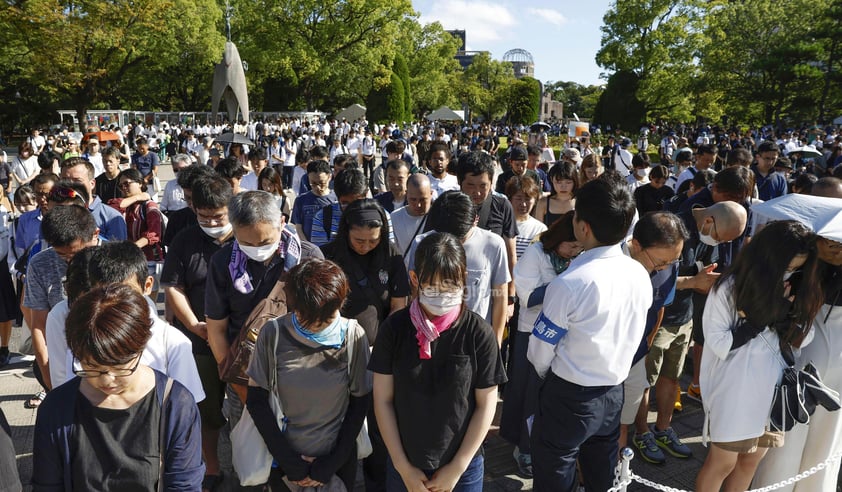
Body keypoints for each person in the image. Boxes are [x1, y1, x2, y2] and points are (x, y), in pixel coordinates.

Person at [527, 178, 653, 492]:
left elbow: (539, 351)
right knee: (602, 474)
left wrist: (553, 380)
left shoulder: (570, 283)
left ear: (582, 226)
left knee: (555, 473)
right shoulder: (639, 273)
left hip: (569, 394)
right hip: (612, 393)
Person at [370, 232, 507, 492]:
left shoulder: (478, 332)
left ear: (464, 280)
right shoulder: (394, 329)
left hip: (462, 466)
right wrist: (403, 467)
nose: (442, 296)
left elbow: (486, 404)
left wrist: (458, 467)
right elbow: (383, 400)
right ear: (414, 279)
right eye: (432, 287)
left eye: (451, 287)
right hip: (405, 464)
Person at [32, 284, 204, 490]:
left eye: (119, 367)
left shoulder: (175, 404)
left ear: (140, 348)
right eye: (92, 367)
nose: (107, 380)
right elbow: (47, 485)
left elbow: (184, 486)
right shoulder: (57, 407)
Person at [695, 221, 823, 492]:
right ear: (769, 257)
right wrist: (757, 321)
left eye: (797, 267)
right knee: (723, 463)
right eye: (787, 266)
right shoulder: (731, 286)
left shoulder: (797, 284)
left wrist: (787, 320)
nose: (790, 272)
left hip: (774, 390)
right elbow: (718, 342)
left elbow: (803, 339)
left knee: (750, 463)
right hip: (735, 387)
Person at [246, 259, 371, 491]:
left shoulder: (353, 336)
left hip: (337, 464)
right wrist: (290, 462)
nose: (317, 325)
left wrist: (330, 464)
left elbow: (359, 403)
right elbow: (256, 401)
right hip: (282, 463)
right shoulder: (273, 334)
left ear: (341, 303)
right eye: (308, 317)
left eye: (326, 318)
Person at [205, 191, 317, 428]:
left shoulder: (308, 258)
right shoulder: (222, 262)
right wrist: (238, 384)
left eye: (265, 242)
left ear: (282, 223)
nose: (257, 249)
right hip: (244, 375)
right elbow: (216, 329)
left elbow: (323, 321)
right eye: (246, 243)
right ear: (233, 230)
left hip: (301, 373)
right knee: (250, 458)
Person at [160, 175, 235, 490]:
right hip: (199, 341)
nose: (213, 222)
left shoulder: (247, 236)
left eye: (219, 216)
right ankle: (212, 468)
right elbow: (173, 287)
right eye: (205, 217)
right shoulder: (185, 240)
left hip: (244, 337)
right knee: (205, 407)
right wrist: (194, 325)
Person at [503, 212, 582, 477]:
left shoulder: (576, 258)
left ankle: (547, 444)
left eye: (579, 247)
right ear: (559, 238)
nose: (575, 251)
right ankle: (524, 449)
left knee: (553, 394)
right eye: (571, 245)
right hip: (532, 332)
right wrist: (565, 281)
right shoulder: (537, 252)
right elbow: (528, 298)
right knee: (529, 393)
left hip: (564, 333)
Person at [23, 205, 101, 405]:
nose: (69, 260)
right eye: (62, 255)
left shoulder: (112, 259)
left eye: (75, 254)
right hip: (62, 359)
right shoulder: (40, 264)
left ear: (95, 235)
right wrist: (48, 377)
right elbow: (38, 324)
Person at [320, 198, 409, 345]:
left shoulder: (390, 253)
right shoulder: (328, 256)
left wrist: (385, 342)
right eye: (359, 241)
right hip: (336, 345)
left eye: (373, 241)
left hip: (379, 346)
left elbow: (398, 305)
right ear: (346, 232)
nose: (366, 246)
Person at [115, 168, 165, 301]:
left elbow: (154, 233)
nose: (124, 188)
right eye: (121, 186)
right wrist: (137, 196)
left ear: (140, 183)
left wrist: (132, 248)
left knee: (146, 302)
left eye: (127, 183)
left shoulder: (148, 206)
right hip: (128, 260)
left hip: (148, 260)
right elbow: (111, 206)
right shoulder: (127, 205)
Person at [60, 157, 128, 241]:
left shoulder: (112, 218)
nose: (70, 185)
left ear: (92, 184)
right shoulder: (55, 214)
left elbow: (119, 252)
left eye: (77, 180)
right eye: (65, 180)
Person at [310, 169, 369, 247]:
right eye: (345, 203)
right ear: (337, 198)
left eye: (357, 203)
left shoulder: (380, 217)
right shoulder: (323, 218)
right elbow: (319, 256)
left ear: (366, 195)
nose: (352, 208)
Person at [390, 173, 433, 259]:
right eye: (413, 199)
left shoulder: (438, 216)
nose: (418, 205)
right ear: (406, 194)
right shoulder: (395, 217)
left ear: (431, 194)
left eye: (423, 200)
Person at [291, 160, 336, 241]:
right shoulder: (301, 200)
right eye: (313, 183)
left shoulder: (337, 199)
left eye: (322, 183)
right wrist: (308, 247)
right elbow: (298, 227)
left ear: (329, 177)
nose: (318, 187)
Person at [505, 175, 547, 260]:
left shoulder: (540, 229)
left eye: (528, 199)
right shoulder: (501, 225)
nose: (523, 204)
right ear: (510, 199)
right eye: (518, 198)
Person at [534, 161, 578, 227]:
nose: (563, 187)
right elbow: (538, 230)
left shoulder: (580, 203)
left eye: (568, 182)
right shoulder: (543, 203)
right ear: (552, 180)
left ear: (574, 182)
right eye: (559, 182)